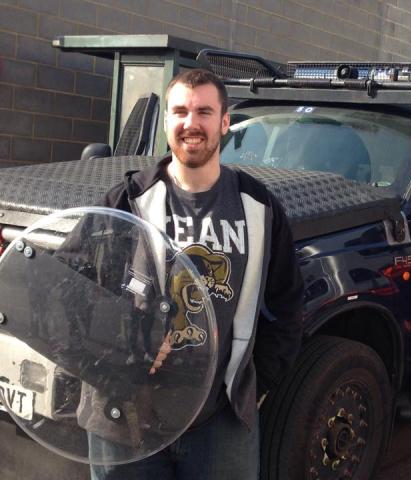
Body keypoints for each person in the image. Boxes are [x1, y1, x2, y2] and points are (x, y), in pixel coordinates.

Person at [90, 69, 304, 479]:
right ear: (167, 122)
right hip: (124, 416)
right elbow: (72, 290)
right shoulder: (124, 201)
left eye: (204, 111)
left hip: (218, 418)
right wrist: (116, 356)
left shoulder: (259, 207)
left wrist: (254, 385)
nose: (192, 123)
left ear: (225, 122)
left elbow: (289, 303)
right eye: (181, 112)